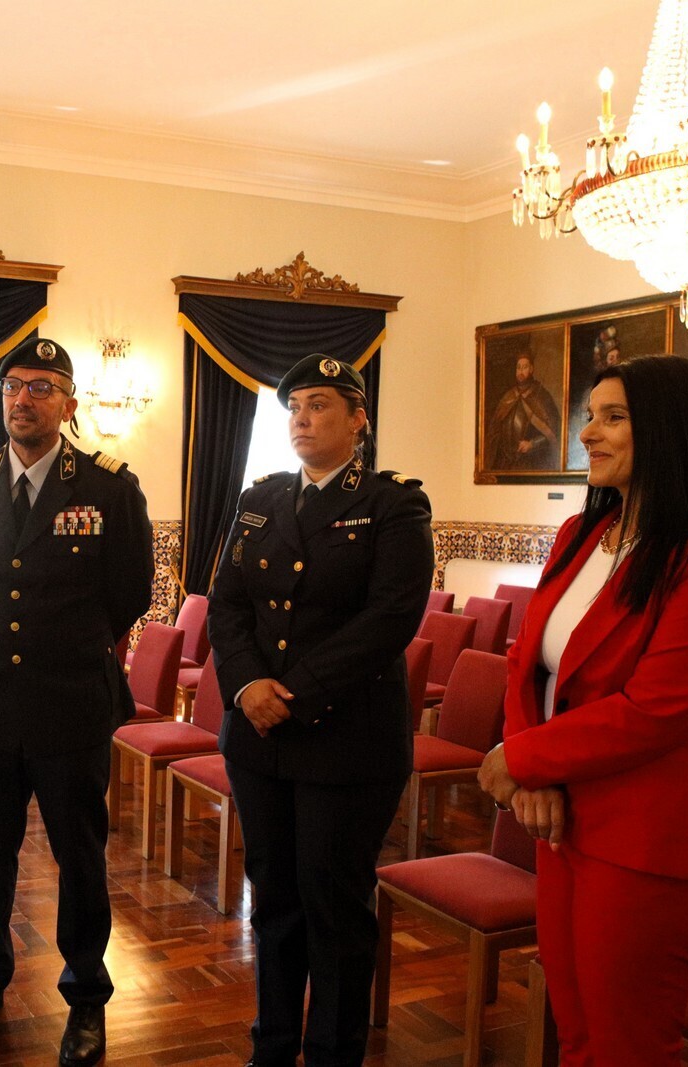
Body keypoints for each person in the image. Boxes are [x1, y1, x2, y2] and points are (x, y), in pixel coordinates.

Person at [478, 354, 688, 1066]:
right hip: (559, 820)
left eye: (613, 417)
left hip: (644, 838)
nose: (586, 433)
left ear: (668, 430)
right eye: (589, 416)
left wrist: (521, 758)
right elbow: (526, 662)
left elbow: (654, 710)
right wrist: (534, 776)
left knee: (627, 1045)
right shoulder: (579, 534)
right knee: (576, 1031)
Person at [206, 353, 433, 1067]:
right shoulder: (262, 499)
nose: (301, 419)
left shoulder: (394, 505)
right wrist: (247, 686)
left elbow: (390, 618)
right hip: (259, 737)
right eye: (295, 407)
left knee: (333, 907)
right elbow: (227, 605)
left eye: (320, 405)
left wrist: (292, 692)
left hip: (346, 739)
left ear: (359, 418)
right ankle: (272, 1047)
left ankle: (334, 1054)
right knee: (274, 901)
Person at [0, 336, 153, 1067]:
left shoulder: (109, 487)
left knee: (79, 857)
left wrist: (66, 640)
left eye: (41, 387)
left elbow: (129, 593)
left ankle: (86, 997)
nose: (23, 399)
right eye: (13, 386)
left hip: (71, 702)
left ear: (69, 403)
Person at [487, 353, 559, 470]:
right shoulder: (508, 396)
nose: (521, 371)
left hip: (529, 462)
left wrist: (532, 444)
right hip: (505, 463)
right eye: (518, 367)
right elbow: (494, 431)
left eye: (525, 367)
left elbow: (553, 434)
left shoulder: (541, 396)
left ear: (531, 369)